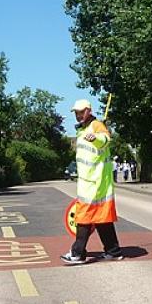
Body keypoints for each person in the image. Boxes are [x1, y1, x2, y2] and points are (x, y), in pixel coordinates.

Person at [61, 99, 123, 265]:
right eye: (76, 112)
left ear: (88, 110)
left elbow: (105, 139)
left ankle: (77, 253)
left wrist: (95, 138)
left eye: (81, 112)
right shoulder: (82, 129)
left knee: (84, 217)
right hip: (92, 181)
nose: (78, 115)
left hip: (95, 181)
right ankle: (113, 251)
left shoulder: (96, 125)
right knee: (102, 219)